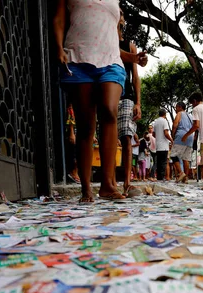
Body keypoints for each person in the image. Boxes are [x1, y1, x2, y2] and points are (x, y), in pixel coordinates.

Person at [53, 0, 146, 202]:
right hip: (78, 59)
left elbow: (110, 42)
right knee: (86, 125)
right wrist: (59, 48)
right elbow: (59, 20)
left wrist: (134, 58)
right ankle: (86, 188)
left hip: (111, 63)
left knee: (109, 110)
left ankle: (107, 184)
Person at [117, 9, 142, 197]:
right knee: (108, 138)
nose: (119, 17)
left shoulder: (129, 45)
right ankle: (109, 181)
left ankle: (126, 182)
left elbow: (135, 76)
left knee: (126, 137)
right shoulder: (103, 40)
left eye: (121, 14)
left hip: (126, 95)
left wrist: (138, 102)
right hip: (105, 91)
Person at [171, 102, 194, 184]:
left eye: (176, 107)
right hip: (190, 136)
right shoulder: (191, 116)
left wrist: (173, 135)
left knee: (173, 155)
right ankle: (185, 178)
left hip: (181, 135)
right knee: (186, 158)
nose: (175, 109)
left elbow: (175, 125)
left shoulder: (179, 114)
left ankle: (181, 173)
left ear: (180, 107)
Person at [153, 109, 173, 181]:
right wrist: (171, 140)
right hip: (164, 145)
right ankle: (162, 178)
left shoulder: (155, 122)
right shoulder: (164, 121)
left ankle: (159, 177)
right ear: (165, 114)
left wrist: (159, 137)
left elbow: (153, 134)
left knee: (159, 162)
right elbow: (166, 133)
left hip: (158, 145)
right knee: (164, 162)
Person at [65, 103, 80, 184]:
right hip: (75, 131)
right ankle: (73, 172)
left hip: (81, 131)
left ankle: (76, 173)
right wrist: (71, 132)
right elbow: (71, 116)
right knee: (75, 153)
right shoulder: (73, 106)